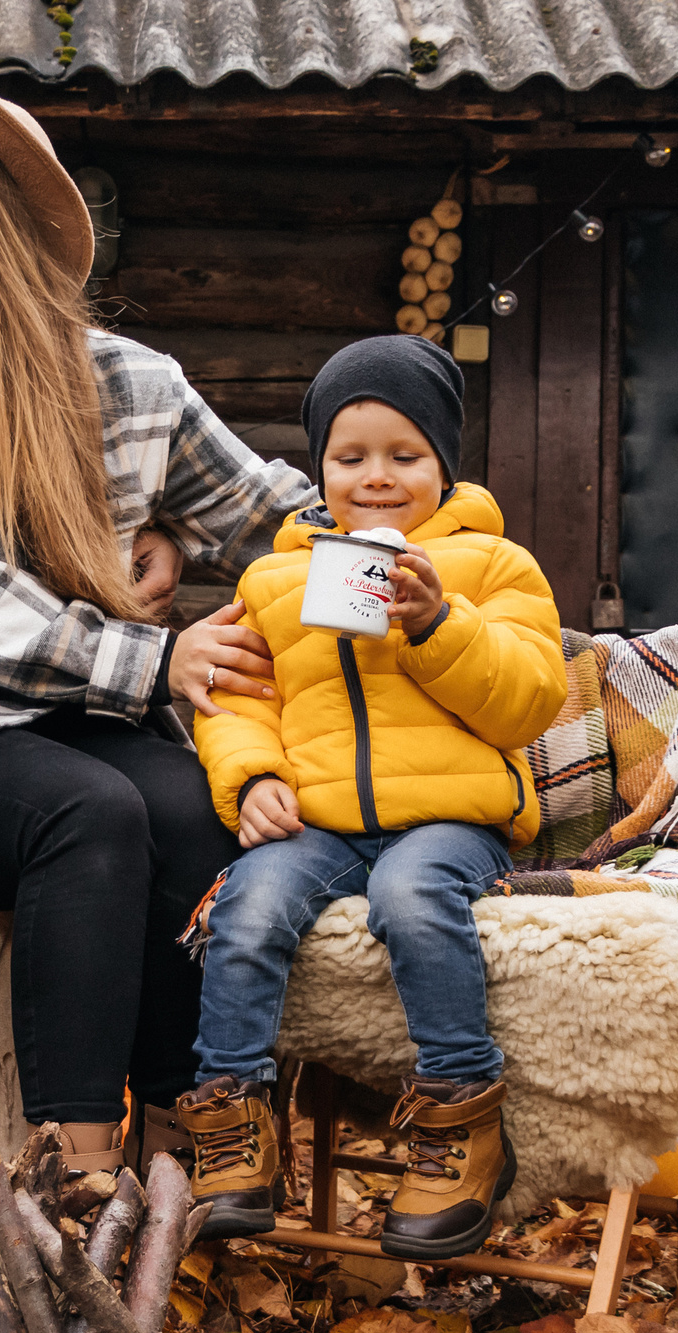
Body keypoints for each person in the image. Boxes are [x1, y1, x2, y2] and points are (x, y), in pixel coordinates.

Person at [0, 53, 311, 1171]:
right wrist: (154, 656)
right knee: (90, 809)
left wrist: (429, 568)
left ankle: (184, 1160)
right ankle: (71, 1184)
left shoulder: (127, 382)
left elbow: (278, 519)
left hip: (88, 718)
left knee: (192, 809)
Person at [179, 336, 569, 1258]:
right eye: (350, 458)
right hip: (323, 824)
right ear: (319, 468)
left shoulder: (492, 568)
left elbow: (529, 700)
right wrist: (255, 777)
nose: (377, 478)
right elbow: (238, 699)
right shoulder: (276, 578)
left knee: (411, 895)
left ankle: (459, 1118)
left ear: (444, 465)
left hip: (451, 819)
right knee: (249, 902)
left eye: (405, 455)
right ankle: (235, 1123)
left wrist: (438, 624)